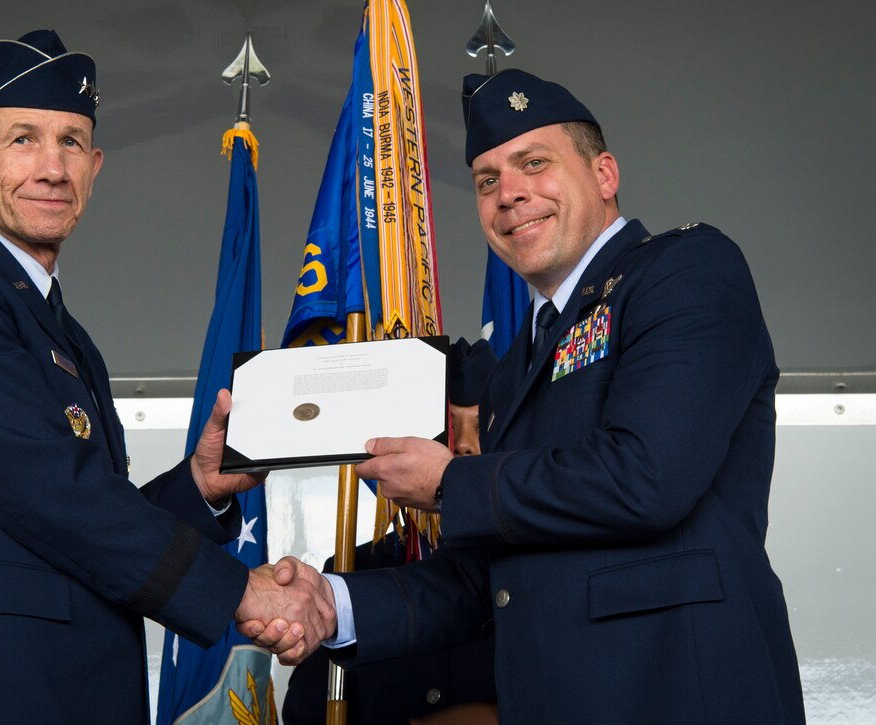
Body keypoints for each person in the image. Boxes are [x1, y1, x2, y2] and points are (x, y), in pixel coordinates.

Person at [251, 68, 805, 723]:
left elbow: (647, 475)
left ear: (604, 175)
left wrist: (451, 484)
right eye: (487, 181)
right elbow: (488, 579)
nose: (509, 195)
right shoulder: (516, 368)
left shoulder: (685, 270)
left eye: (533, 163)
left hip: (677, 693)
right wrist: (331, 604)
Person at [0, 29, 331, 725]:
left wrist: (198, 486)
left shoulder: (66, 333)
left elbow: (75, 521)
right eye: (23, 139)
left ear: (95, 166)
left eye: (72, 143)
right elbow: (44, 486)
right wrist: (240, 591)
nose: (53, 167)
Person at [281, 337, 498, 725]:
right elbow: (306, 712)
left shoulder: (524, 568)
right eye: (449, 429)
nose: (464, 446)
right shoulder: (356, 568)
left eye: (482, 428)